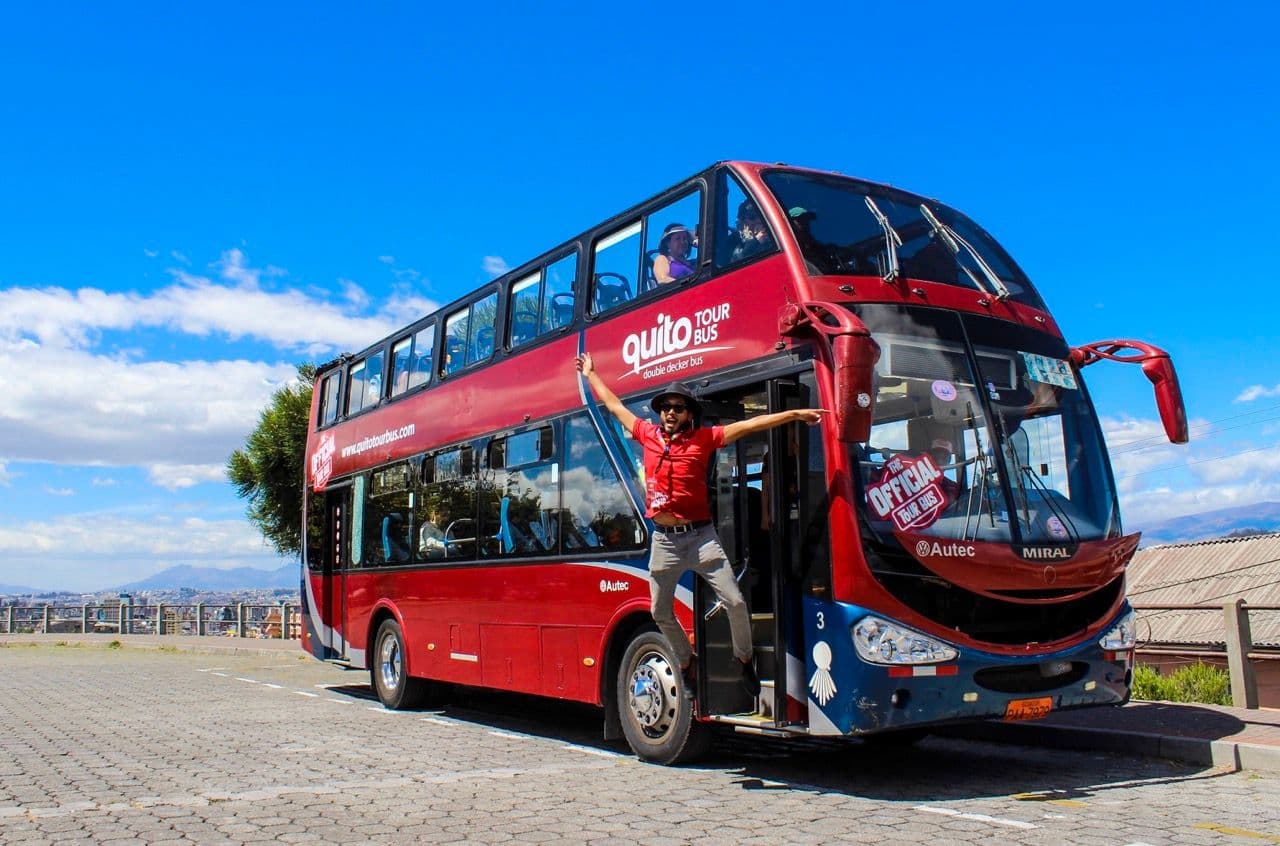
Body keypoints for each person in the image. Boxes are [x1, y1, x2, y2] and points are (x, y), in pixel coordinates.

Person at [574, 351, 827, 698]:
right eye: (666, 408)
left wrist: (795, 413)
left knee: (736, 603)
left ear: (688, 414)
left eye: (677, 408)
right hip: (664, 542)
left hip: (701, 538)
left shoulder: (704, 439)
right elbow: (614, 406)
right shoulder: (646, 434)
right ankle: (686, 661)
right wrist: (591, 373)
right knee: (659, 611)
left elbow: (751, 425)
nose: (670, 413)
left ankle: (744, 659)